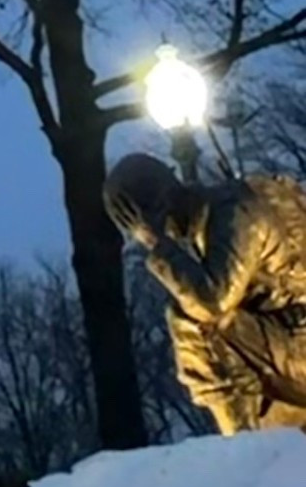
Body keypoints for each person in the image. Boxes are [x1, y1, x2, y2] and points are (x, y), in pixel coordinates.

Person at [104, 152, 306, 434]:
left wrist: (157, 244)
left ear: (159, 208)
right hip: (292, 342)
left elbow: (212, 302)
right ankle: (275, 437)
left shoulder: (233, 211)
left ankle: (242, 448)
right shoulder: (231, 202)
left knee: (194, 321)